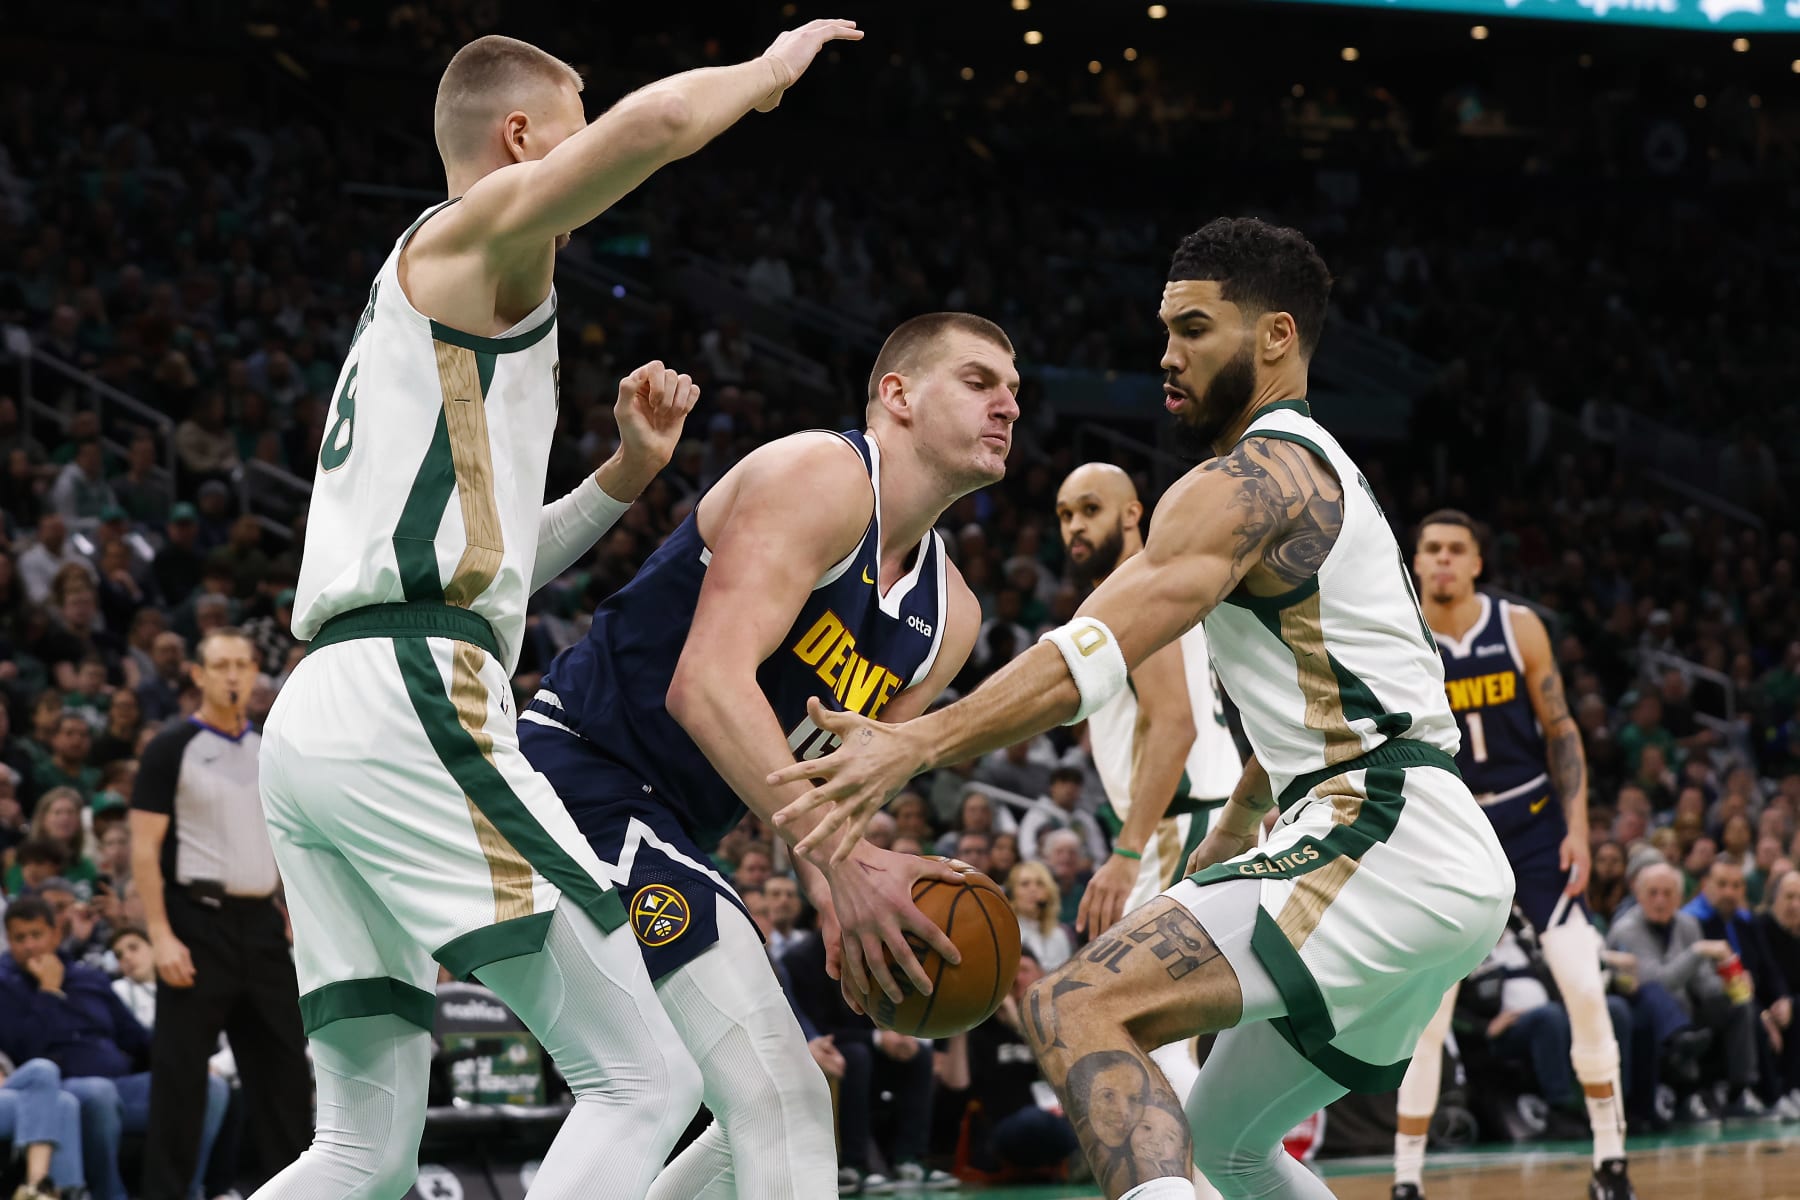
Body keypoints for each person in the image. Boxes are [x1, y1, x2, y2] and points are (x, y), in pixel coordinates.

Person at [769, 217, 1514, 1200]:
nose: (1168, 354)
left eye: (1197, 329)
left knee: (1075, 1005)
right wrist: (1245, 821)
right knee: (1222, 1150)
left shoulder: (1250, 481)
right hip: (1419, 839)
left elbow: (1093, 651)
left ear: (1277, 338)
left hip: (1380, 832)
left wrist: (916, 743)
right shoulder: (1321, 475)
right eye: (1165, 330)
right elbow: (1322, 696)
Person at [251, 23, 860, 1199]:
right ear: (521, 138)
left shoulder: (430, 311)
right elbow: (660, 126)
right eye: (569, 130)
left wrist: (625, 477)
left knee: (360, 1150)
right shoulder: (471, 236)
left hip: (327, 710)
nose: (586, 159)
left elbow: (496, 564)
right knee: (645, 1074)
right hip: (410, 700)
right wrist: (770, 72)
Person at [518, 310, 1013, 1196]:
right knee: (773, 1090)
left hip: (667, 821)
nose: (1007, 404)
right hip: (578, 772)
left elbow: (840, 787)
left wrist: (837, 903)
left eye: (1014, 390)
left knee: (771, 1095)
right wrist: (850, 867)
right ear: (896, 395)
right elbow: (704, 684)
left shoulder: (954, 616)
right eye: (979, 381)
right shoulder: (818, 475)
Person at [1390, 511, 1630, 1200]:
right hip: (1449, 829)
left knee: (1584, 987)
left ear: (1476, 563)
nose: (1441, 561)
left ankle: (1610, 1161)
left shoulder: (1517, 625)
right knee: (1429, 1009)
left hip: (1530, 820)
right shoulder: (1400, 634)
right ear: (1415, 562)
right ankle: (1406, 1179)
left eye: (1454, 550)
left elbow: (1561, 729)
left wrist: (1578, 826)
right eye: (1430, 549)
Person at [127, 628, 310, 1197]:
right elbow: (142, 849)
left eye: (242, 664)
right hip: (193, 922)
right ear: (198, 675)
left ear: (257, 672)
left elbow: (292, 837)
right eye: (220, 665)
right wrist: (159, 934)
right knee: (181, 1082)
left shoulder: (273, 747)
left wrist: (289, 909)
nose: (232, 675)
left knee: (284, 1075)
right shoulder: (170, 747)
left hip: (260, 925)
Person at [0, 896, 226, 1200]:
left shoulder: (89, 979)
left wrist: (186, 1060)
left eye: (36, 935)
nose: (29, 946)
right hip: (62, 1089)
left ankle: (185, 1191)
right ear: (9, 941)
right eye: (19, 938)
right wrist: (48, 992)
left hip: (122, 1083)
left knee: (208, 1085)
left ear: (55, 934)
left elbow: (135, 1038)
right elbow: (24, 1051)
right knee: (97, 1092)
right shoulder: (6, 988)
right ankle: (110, 1194)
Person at [1606, 863, 1760, 1118]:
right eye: (1653, 893)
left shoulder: (1687, 924)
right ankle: (1686, 1090)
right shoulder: (1627, 930)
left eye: (1668, 894)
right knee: (1657, 996)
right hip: (1647, 1011)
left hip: (1688, 1009)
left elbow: (1701, 982)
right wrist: (1698, 951)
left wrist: (1731, 984)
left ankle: (1738, 1092)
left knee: (1739, 1006)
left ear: (1679, 898)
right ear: (1639, 896)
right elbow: (1659, 982)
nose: (1660, 900)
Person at [1008, 860, 1074, 971]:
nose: (1033, 889)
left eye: (1040, 884)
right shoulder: (1007, 935)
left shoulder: (1059, 935)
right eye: (1025, 884)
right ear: (1012, 893)